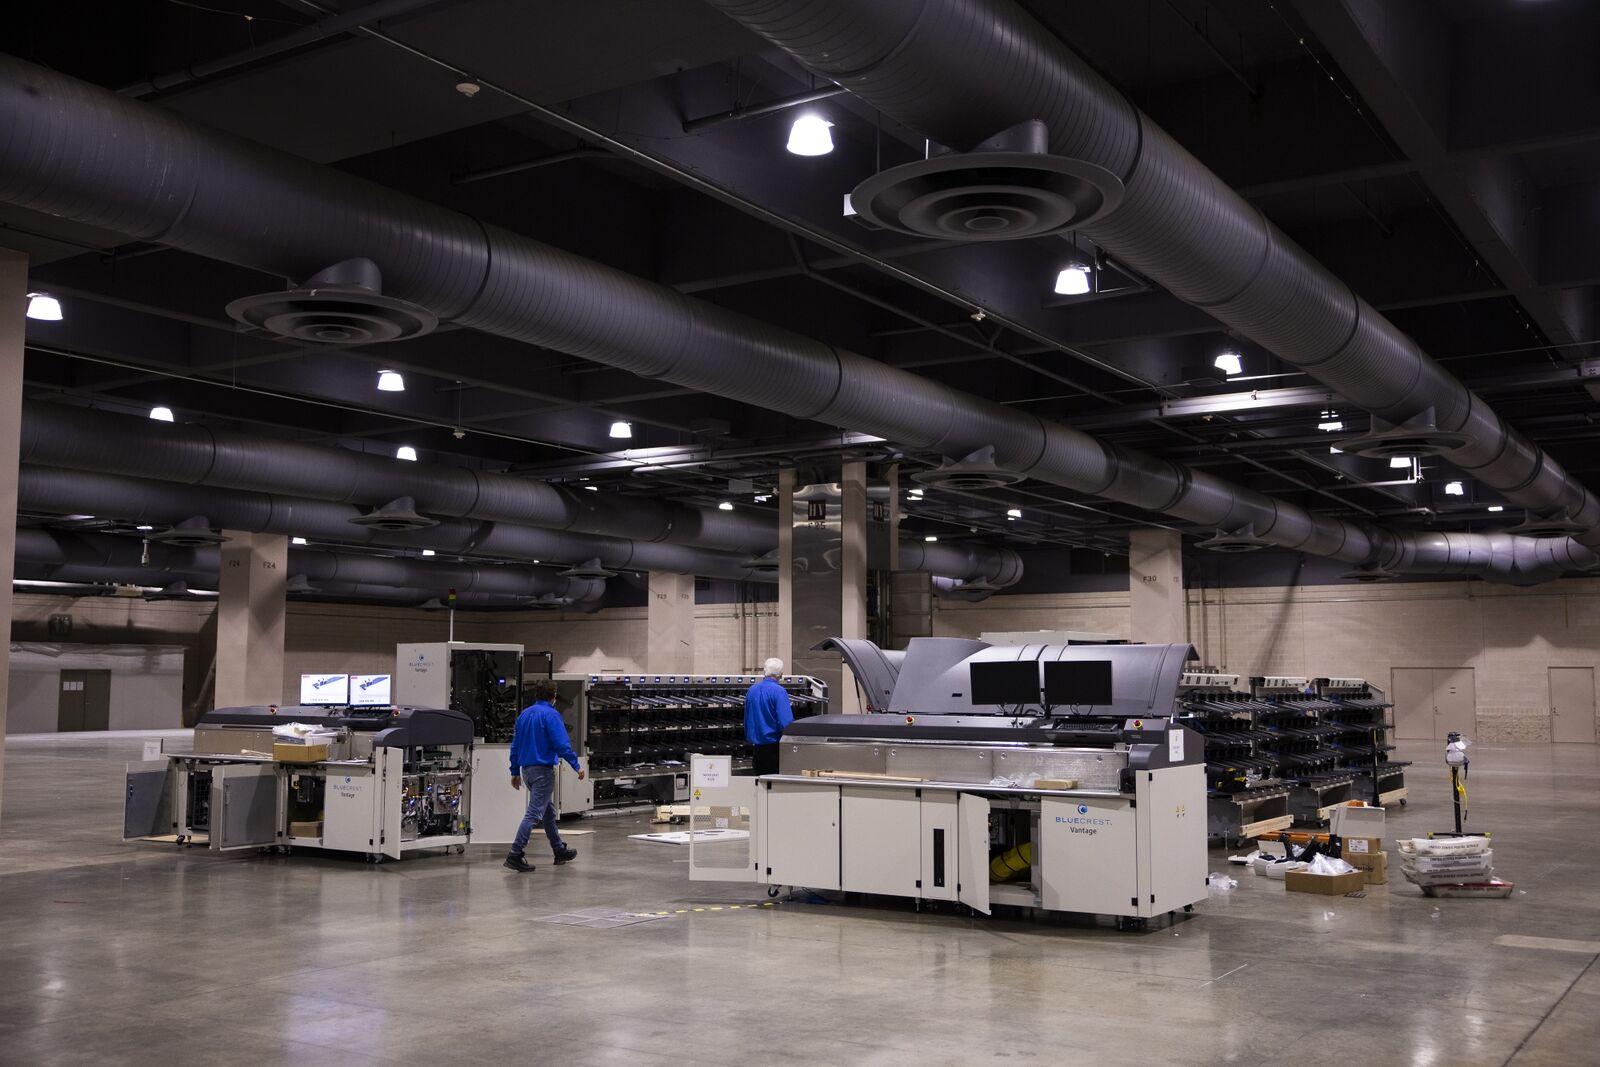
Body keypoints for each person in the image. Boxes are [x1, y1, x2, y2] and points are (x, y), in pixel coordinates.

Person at [504, 679, 584, 873]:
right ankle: (515, 853)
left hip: (527, 771)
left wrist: (514, 771)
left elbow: (515, 746)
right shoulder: (551, 715)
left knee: (547, 810)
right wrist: (576, 765)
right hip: (543, 772)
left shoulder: (524, 715)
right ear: (553, 696)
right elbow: (561, 744)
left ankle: (558, 849)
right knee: (534, 814)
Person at [744, 657, 793, 777]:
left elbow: (747, 718)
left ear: (764, 671)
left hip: (757, 751)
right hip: (774, 751)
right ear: (780, 674)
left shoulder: (752, 690)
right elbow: (786, 722)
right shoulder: (779, 691)